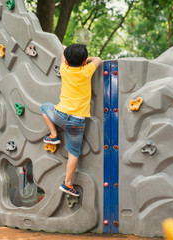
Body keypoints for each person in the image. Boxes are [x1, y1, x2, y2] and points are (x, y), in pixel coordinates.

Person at [41, 44, 102, 197]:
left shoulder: (64, 70)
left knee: (44, 107)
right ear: (83, 62)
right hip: (77, 121)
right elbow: (98, 59)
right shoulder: (87, 71)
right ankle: (67, 183)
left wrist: (65, 49)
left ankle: (53, 134)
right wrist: (85, 60)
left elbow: (63, 58)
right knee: (74, 153)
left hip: (60, 115)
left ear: (67, 61)